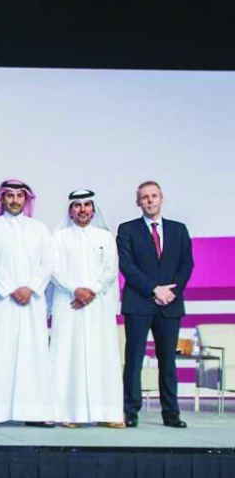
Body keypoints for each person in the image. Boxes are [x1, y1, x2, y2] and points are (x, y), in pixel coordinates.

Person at [0, 179, 57, 427]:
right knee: (0, 353)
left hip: (32, 301)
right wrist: (12, 288)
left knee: (34, 354)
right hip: (1, 302)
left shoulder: (40, 229)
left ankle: (35, 412)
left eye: (19, 196)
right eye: (9, 195)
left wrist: (30, 287)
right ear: (1, 199)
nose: (14, 200)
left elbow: (49, 262)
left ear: (26, 199)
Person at [117, 181, 193, 429]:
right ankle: (130, 412)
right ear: (138, 202)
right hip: (139, 302)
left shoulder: (179, 230)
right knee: (134, 359)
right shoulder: (127, 229)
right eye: (145, 197)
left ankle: (171, 414)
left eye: (154, 196)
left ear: (162, 198)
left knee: (167, 361)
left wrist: (170, 292)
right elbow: (127, 266)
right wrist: (154, 289)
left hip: (169, 304)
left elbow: (186, 265)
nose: (150, 201)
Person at [50, 190, 124, 428]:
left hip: (97, 305)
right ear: (70, 210)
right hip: (68, 303)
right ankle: (67, 414)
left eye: (87, 205)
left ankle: (108, 414)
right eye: (77, 205)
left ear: (93, 209)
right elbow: (54, 270)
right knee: (67, 356)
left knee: (102, 356)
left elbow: (110, 271)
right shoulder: (58, 238)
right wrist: (75, 290)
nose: (82, 210)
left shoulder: (105, 237)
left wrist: (90, 291)